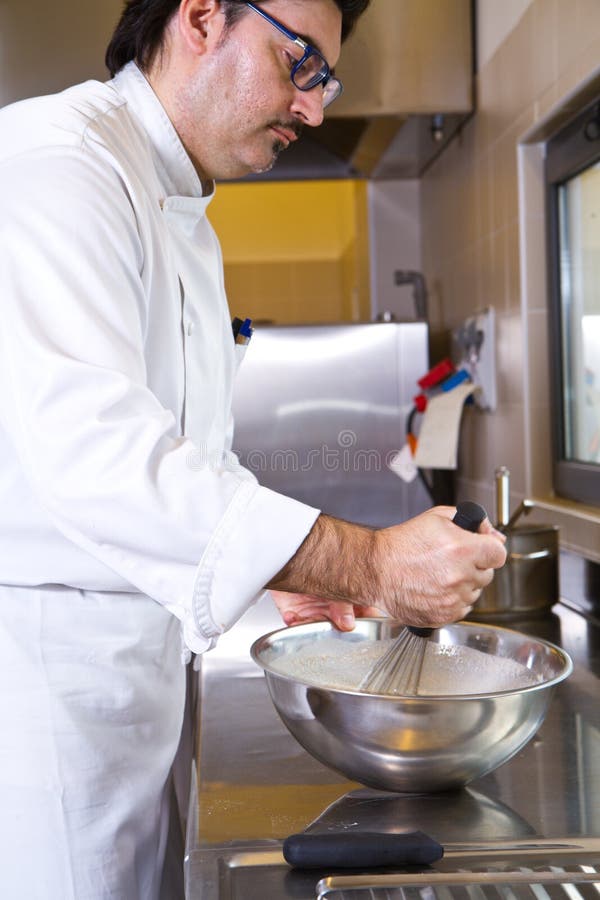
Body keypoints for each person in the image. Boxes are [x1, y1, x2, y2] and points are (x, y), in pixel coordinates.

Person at [0, 1, 507, 897]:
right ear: (201, 16)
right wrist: (371, 564)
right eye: (300, 62)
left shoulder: (182, 206)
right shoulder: (58, 164)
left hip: (135, 689)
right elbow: (94, 456)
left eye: (326, 79)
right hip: (49, 708)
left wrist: (274, 565)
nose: (313, 108)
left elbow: (186, 451)